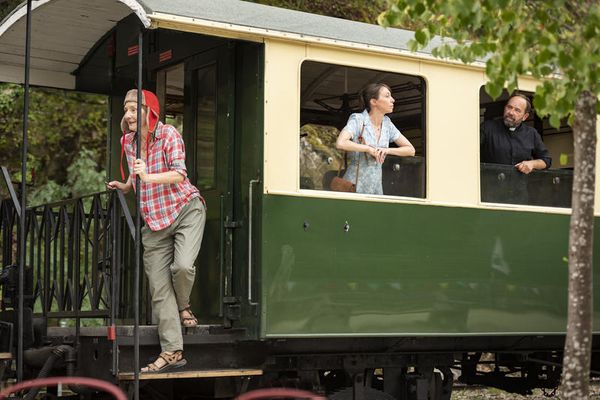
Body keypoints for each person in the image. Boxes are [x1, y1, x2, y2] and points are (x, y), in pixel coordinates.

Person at [107, 89, 206, 373]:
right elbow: (133, 170)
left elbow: (179, 173)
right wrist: (127, 185)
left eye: (133, 109)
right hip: (153, 220)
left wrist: (147, 175)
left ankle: (184, 305)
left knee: (183, 267)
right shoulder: (128, 140)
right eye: (125, 109)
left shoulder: (169, 134)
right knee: (159, 290)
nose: (127, 115)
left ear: (149, 111)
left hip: (185, 209)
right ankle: (172, 352)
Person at [335, 83, 415, 194]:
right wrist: (368, 149)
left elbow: (411, 150)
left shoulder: (387, 124)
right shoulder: (358, 119)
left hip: (376, 188)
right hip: (353, 187)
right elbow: (341, 143)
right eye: (387, 96)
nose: (393, 100)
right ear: (374, 102)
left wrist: (387, 150)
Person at [480, 93, 552, 173]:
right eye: (509, 107)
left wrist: (532, 164)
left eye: (517, 110)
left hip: (519, 185)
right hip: (490, 184)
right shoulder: (487, 128)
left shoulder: (531, 133)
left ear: (525, 117)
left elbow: (546, 161)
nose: (511, 112)